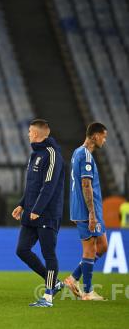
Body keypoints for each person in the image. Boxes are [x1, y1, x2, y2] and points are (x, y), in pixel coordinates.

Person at [12, 119, 65, 307]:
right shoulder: (35, 154)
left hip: (46, 214)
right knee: (22, 250)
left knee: (48, 253)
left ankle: (48, 297)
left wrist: (37, 209)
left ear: (35, 134)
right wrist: (22, 204)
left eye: (29, 131)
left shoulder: (53, 154)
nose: (27, 134)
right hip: (32, 212)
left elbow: (49, 186)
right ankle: (56, 282)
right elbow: (32, 185)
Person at [63, 122, 109, 301]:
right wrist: (91, 213)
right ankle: (88, 292)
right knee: (90, 249)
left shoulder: (77, 152)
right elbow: (85, 184)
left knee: (103, 246)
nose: (104, 141)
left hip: (87, 209)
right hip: (87, 210)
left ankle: (73, 278)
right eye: (103, 137)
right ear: (96, 136)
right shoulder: (86, 156)